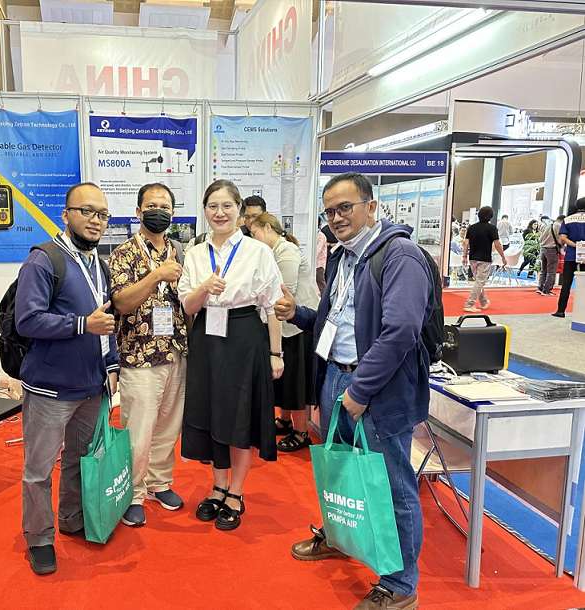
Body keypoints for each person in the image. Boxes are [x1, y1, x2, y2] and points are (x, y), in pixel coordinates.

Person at [275, 171, 433, 610]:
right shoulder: (344, 256)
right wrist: (298, 313)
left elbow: (400, 331)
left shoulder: (399, 255)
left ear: (371, 206)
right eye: (329, 211)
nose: (337, 217)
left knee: (393, 485)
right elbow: (338, 323)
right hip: (336, 378)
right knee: (342, 470)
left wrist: (360, 391)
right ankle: (341, 536)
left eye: (345, 207)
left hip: (377, 388)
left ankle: (400, 585)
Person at [15, 182, 120, 575]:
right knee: (39, 470)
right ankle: (39, 538)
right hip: (50, 389)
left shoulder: (98, 264)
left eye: (102, 214)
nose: (96, 220)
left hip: (92, 386)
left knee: (79, 460)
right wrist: (81, 324)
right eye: (86, 211)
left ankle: (72, 518)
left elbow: (106, 322)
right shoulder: (43, 260)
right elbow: (28, 320)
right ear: (66, 215)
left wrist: (112, 365)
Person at [178, 179, 284, 531]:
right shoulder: (195, 253)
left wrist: (276, 353)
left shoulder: (258, 251)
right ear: (204, 211)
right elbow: (188, 306)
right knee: (211, 414)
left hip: (244, 336)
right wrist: (204, 288)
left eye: (227, 206)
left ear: (239, 209)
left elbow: (272, 307)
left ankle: (236, 492)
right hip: (206, 337)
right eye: (213, 206)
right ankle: (218, 486)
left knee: (240, 415)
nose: (219, 213)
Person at [108, 183, 188, 527]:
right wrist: (157, 275)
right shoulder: (123, 253)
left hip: (176, 351)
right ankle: (133, 492)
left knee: (169, 427)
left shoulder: (180, 250)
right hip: (139, 355)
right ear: (138, 212)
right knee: (138, 432)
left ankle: (159, 482)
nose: (159, 212)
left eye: (165, 207)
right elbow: (121, 303)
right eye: (152, 206)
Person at [250, 213, 320, 451]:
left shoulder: (287, 250)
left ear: (268, 228)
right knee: (285, 378)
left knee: (294, 381)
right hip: (286, 326)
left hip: (298, 326)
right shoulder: (274, 251)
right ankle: (285, 420)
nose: (254, 239)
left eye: (255, 234)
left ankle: (301, 432)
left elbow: (283, 291)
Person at [463, 206, 506, 313]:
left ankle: (484, 302)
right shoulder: (492, 229)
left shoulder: (471, 228)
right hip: (485, 258)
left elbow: (466, 243)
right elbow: (497, 245)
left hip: (472, 258)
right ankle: (469, 304)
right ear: (491, 216)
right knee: (480, 282)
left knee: (479, 282)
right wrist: (503, 257)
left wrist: (464, 256)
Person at [552, 198, 585, 318]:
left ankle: (560, 310)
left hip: (571, 255)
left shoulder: (568, 219)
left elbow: (563, 238)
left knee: (566, 283)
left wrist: (576, 245)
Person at [538, 215, 565, 296]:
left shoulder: (548, 225)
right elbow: (561, 240)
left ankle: (540, 288)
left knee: (543, 270)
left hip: (543, 249)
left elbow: (540, 239)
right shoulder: (559, 226)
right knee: (551, 271)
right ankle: (547, 290)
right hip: (552, 250)